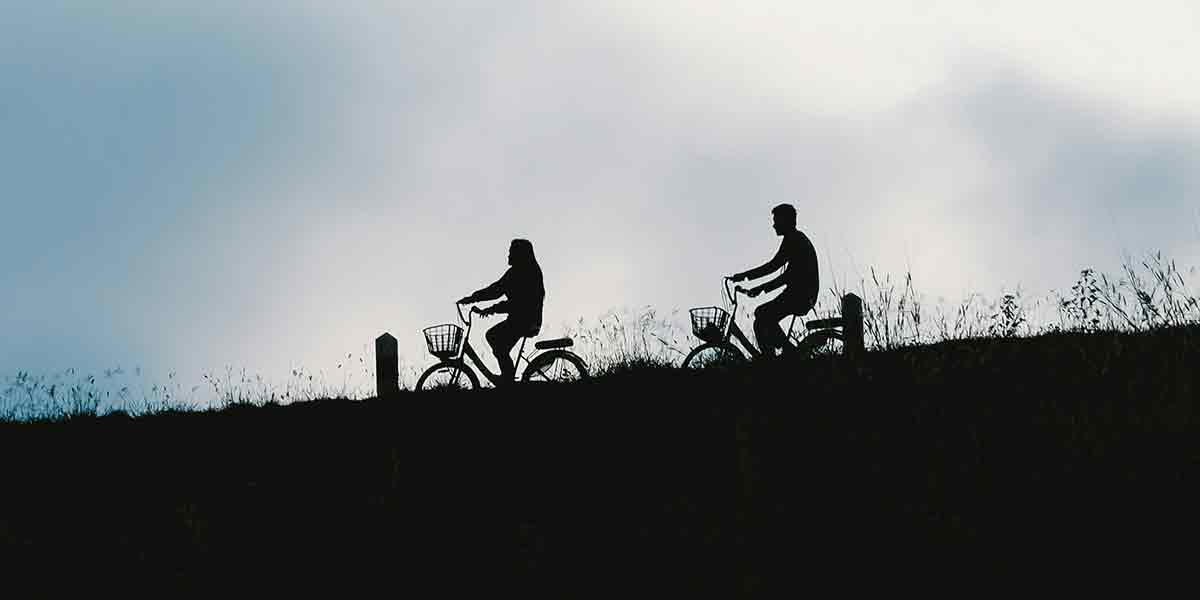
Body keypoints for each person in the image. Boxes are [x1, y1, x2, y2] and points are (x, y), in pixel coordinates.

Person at [729, 204, 819, 357]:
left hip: (801, 295)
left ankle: (775, 359)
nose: (774, 225)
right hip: (799, 293)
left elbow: (783, 273)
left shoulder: (795, 240)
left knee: (762, 316)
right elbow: (774, 267)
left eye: (776, 220)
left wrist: (760, 286)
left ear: (786, 221)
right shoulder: (793, 238)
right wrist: (746, 277)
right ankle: (779, 354)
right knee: (763, 316)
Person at [457, 239, 545, 384]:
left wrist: (489, 308)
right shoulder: (519, 271)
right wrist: (473, 299)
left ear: (520, 254)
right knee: (496, 341)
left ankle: (507, 380)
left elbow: (516, 302)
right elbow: (496, 290)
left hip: (525, 320)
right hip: (521, 319)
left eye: (511, 252)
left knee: (495, 340)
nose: (508, 255)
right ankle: (507, 377)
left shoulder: (524, 272)